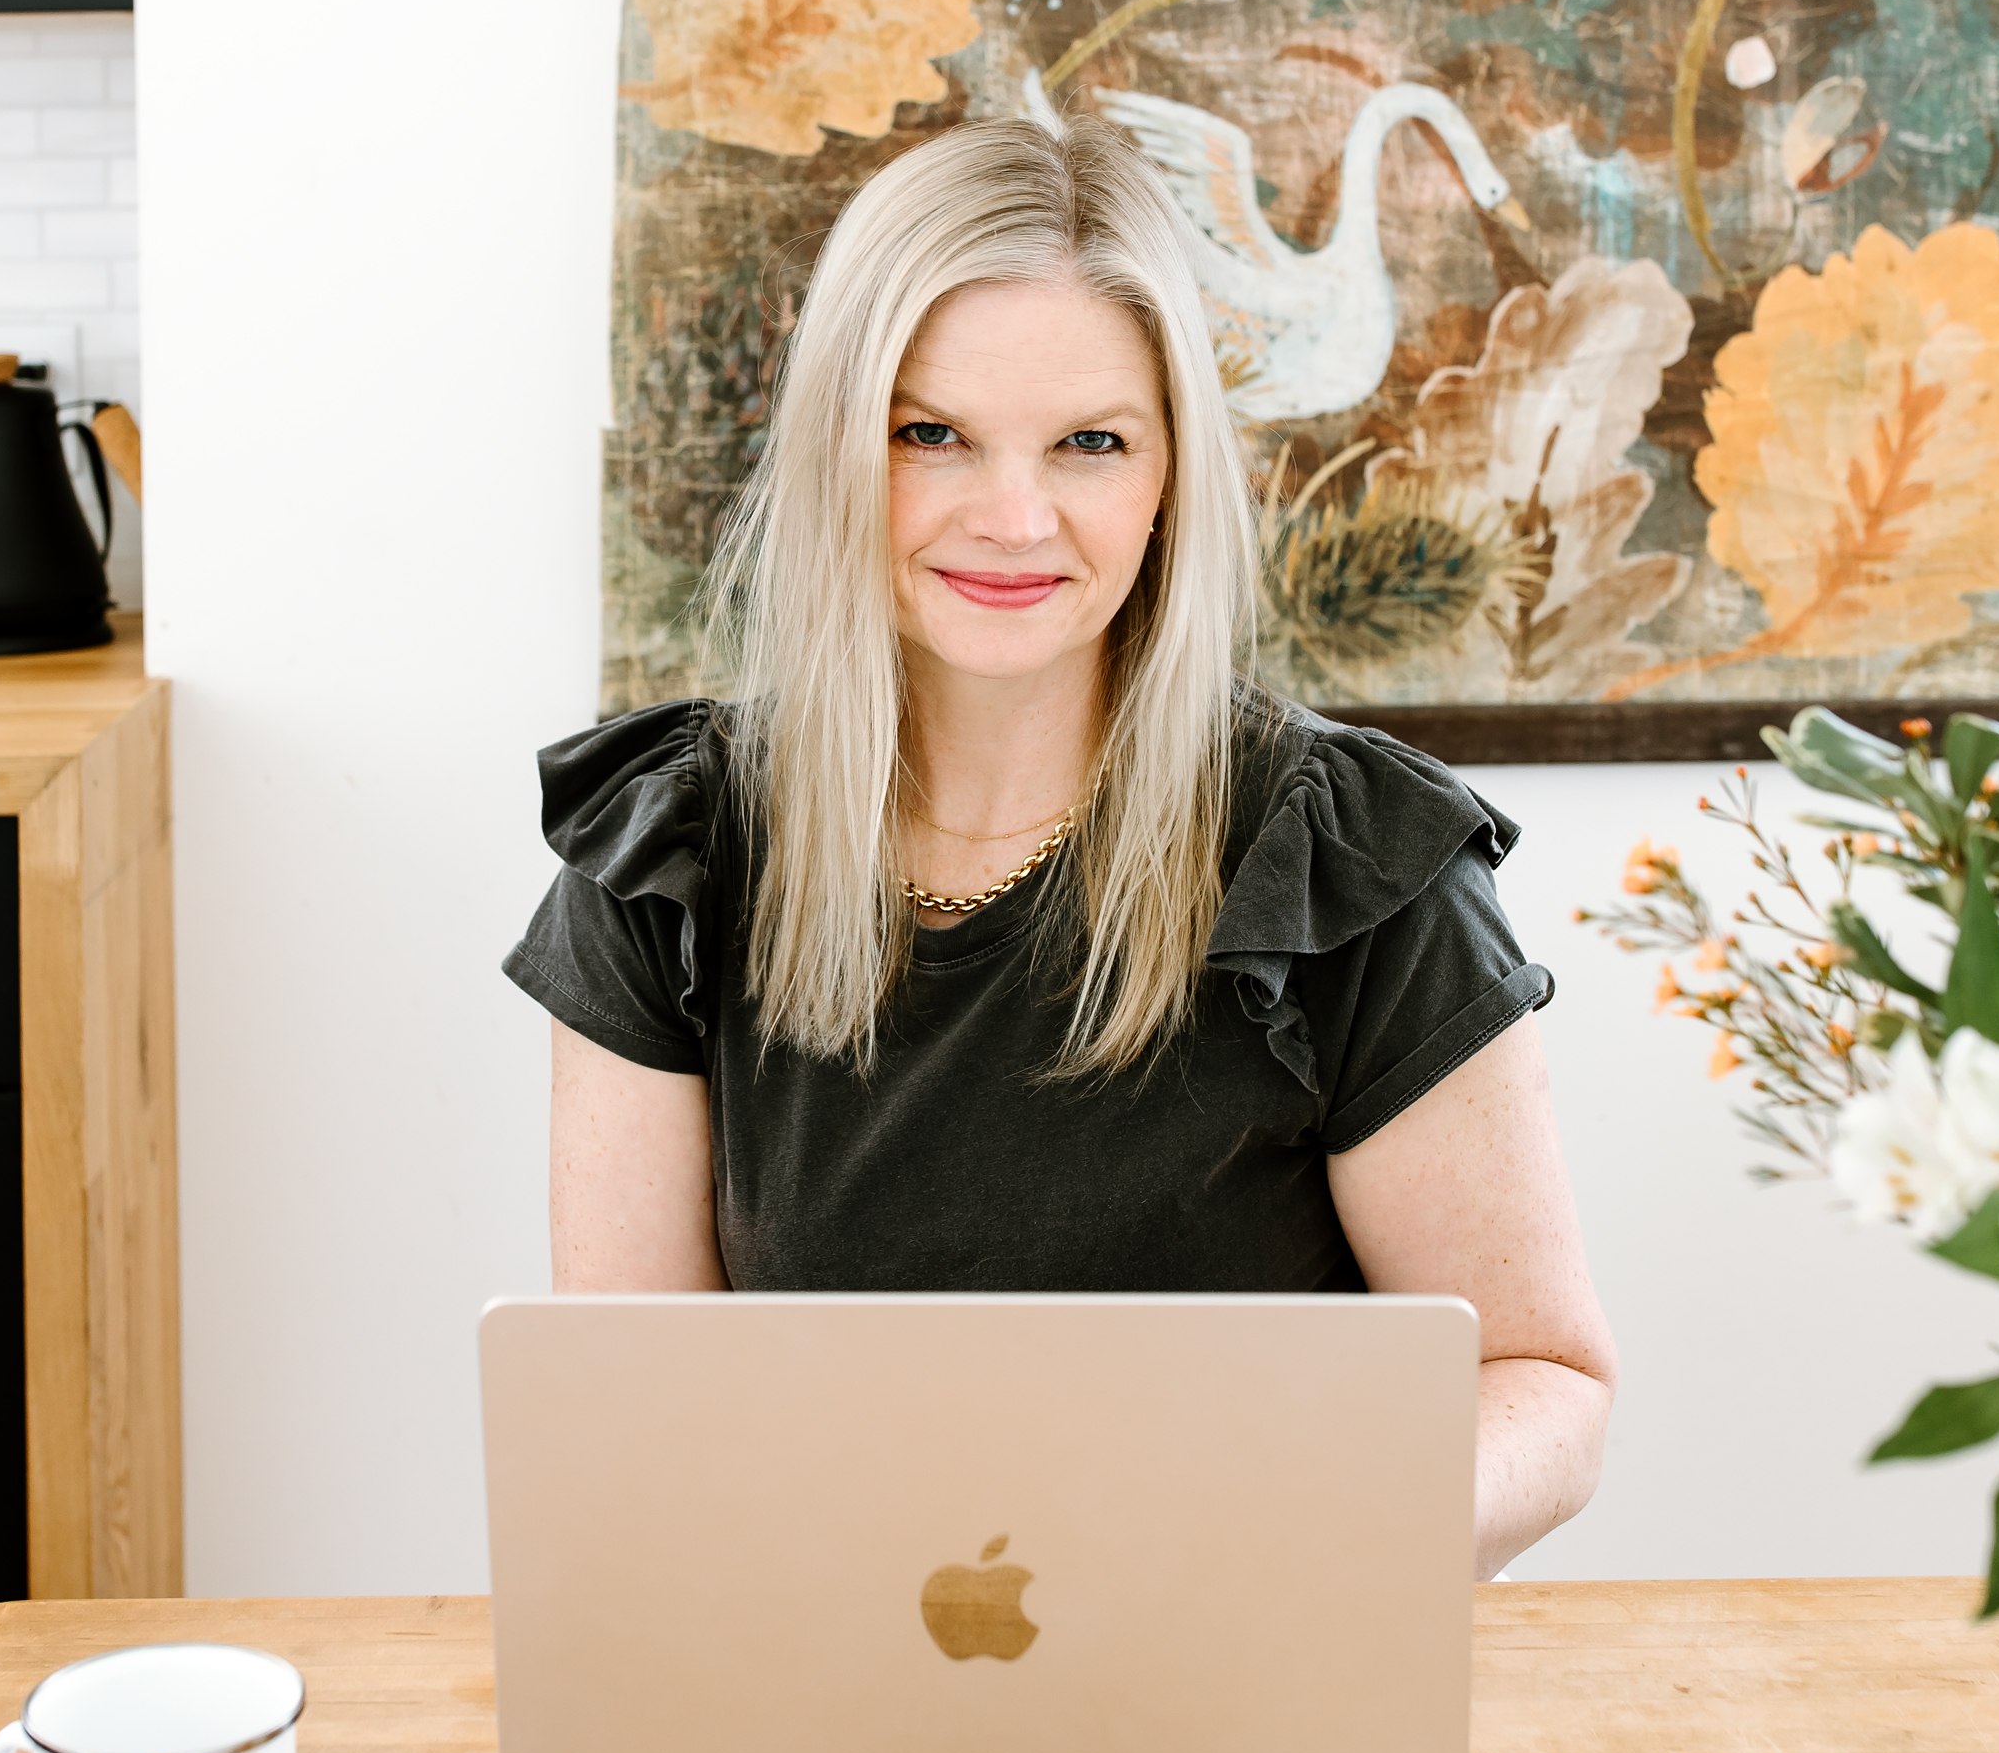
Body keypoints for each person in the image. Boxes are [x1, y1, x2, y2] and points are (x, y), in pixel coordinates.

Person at [504, 112, 1614, 1577]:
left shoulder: (1351, 864)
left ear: (1169, 477)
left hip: (1244, 1679)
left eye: (1090, 442)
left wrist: (1304, 1544)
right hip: (821, 1701)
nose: (1015, 517)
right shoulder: (666, 862)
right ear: (843, 445)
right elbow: (644, 1416)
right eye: (931, 434)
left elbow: (1547, 1387)